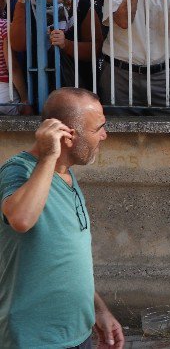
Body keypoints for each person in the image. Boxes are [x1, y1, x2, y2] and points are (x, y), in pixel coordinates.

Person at [0, 88, 124, 349]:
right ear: (67, 135)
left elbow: (65, 263)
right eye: (98, 128)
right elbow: (20, 219)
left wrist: (98, 310)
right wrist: (48, 156)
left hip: (77, 336)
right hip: (34, 340)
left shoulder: (66, 174)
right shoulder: (18, 170)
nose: (104, 135)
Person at [11, 0, 102, 93]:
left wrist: (67, 45)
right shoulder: (28, 7)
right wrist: (21, 4)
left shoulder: (80, 6)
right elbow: (18, 45)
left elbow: (96, 49)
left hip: (77, 84)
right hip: (39, 86)